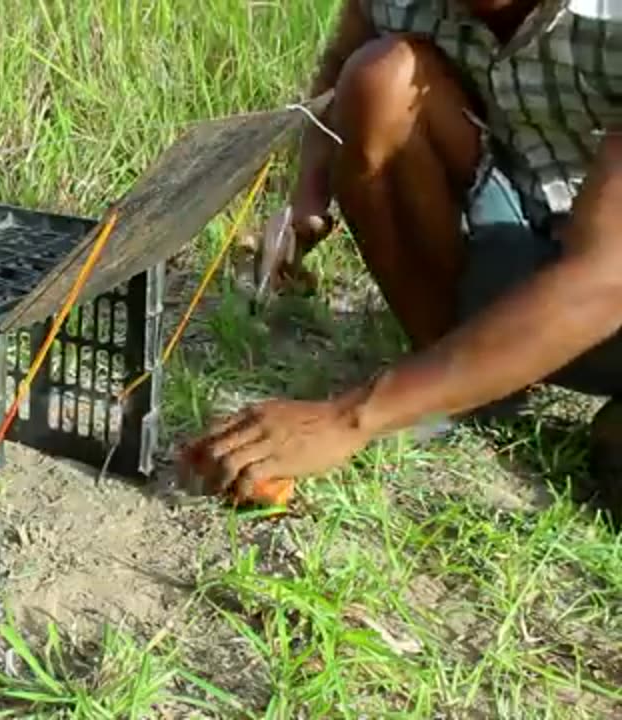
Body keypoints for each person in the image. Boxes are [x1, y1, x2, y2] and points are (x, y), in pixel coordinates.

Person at [190, 0, 622, 512]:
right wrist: (306, 198)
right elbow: (341, 65)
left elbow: (602, 280)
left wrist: (351, 419)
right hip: (531, 224)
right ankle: (460, 384)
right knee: (381, 79)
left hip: (602, 280)